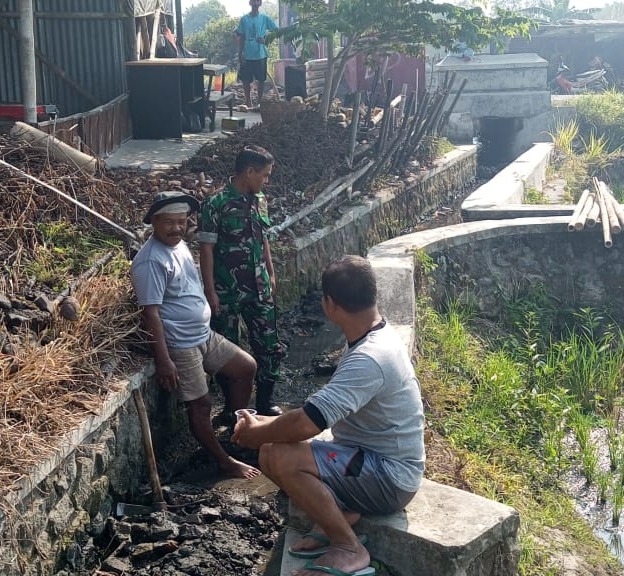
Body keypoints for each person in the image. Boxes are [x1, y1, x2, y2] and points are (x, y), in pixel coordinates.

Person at [233, 255, 425, 576]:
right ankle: (340, 516)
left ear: (329, 304)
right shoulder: (373, 336)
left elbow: (307, 424)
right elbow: (312, 415)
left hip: (391, 477)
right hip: (370, 459)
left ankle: (349, 547)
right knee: (271, 449)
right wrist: (264, 426)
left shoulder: (369, 358)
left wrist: (256, 431)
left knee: (280, 455)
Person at [130, 191, 260, 479]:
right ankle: (223, 461)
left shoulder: (179, 246)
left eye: (182, 221)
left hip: (203, 334)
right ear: (154, 222)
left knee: (245, 367)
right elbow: (150, 314)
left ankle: (234, 428)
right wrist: (163, 361)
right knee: (200, 405)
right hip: (180, 343)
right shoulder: (150, 261)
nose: (176, 228)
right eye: (169, 223)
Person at [199, 146, 284, 419]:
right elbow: (206, 250)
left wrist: (270, 272)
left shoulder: (260, 199)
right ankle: (230, 408)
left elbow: (263, 239)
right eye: (265, 175)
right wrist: (211, 291)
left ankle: (265, 402)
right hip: (228, 292)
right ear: (249, 172)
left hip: (259, 288)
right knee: (228, 350)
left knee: (269, 345)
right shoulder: (216, 204)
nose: (266, 181)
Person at [236, 0, 278, 109]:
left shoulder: (264, 18)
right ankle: (248, 102)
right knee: (246, 79)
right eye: (253, 1)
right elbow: (241, 37)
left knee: (261, 79)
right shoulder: (244, 19)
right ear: (250, 3)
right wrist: (240, 54)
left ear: (260, 4)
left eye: (258, 1)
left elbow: (276, 31)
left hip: (261, 54)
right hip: (247, 55)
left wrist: (265, 39)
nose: (255, 3)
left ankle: (259, 102)